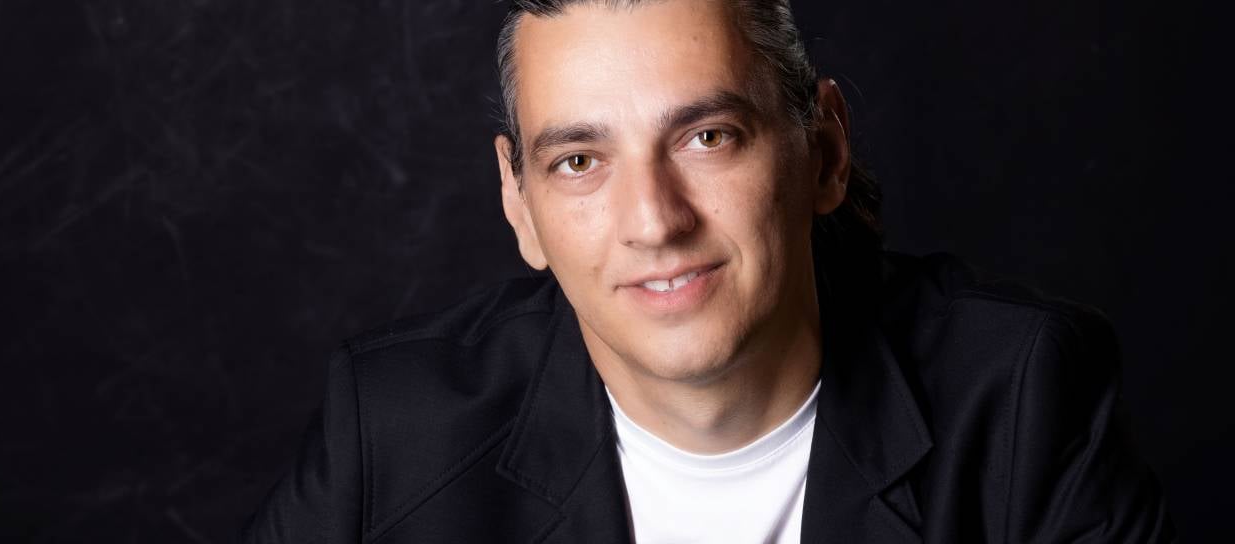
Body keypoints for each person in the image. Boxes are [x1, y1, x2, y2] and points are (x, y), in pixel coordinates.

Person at [243, 0, 1174, 542]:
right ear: (518, 203)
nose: (655, 221)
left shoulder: (1019, 399)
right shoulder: (393, 432)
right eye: (579, 161)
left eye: (708, 137)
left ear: (825, 152)